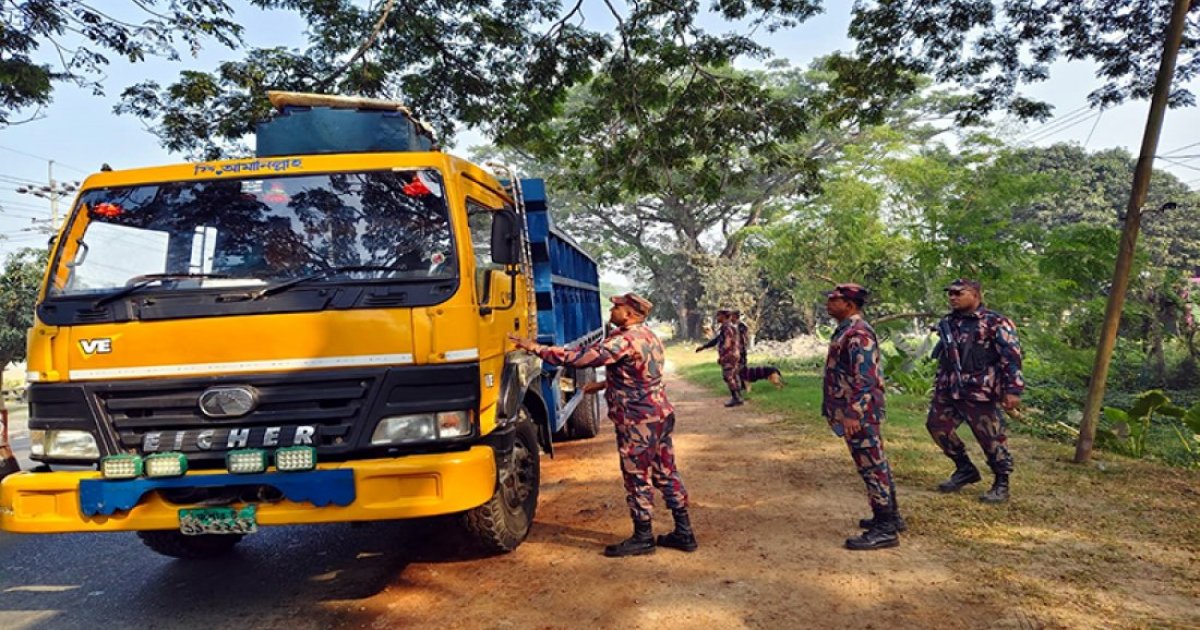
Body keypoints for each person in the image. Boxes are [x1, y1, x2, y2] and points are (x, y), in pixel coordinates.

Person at [510, 292, 696, 557]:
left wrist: (534, 348)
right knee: (666, 471)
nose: (611, 310)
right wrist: (600, 385)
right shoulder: (649, 336)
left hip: (637, 421)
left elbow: (577, 358)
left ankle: (643, 537)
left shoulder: (623, 341)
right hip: (659, 414)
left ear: (630, 314)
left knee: (637, 476)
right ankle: (684, 532)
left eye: (616, 307)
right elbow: (638, 375)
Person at [927, 278, 1024, 503]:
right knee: (937, 426)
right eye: (950, 293)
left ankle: (1001, 482)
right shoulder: (949, 322)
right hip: (949, 387)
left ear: (976, 295)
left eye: (958, 293)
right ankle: (965, 469)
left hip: (980, 389)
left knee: (990, 437)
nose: (952, 297)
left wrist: (1013, 390)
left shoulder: (996, 322)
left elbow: (1011, 357)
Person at [821, 283, 902, 550]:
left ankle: (885, 528)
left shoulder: (858, 334)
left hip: (860, 413)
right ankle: (891, 516)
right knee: (875, 463)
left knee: (872, 466)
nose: (829, 304)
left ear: (850, 304)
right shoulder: (846, 330)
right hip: (854, 410)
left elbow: (865, 378)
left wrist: (853, 413)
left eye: (834, 300)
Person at [695, 309, 744, 406]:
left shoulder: (727, 328)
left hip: (729, 354)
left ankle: (736, 398)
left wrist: (724, 355)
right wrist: (704, 347)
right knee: (734, 375)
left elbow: (727, 342)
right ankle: (738, 396)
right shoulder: (730, 327)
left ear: (724, 316)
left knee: (728, 376)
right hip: (735, 354)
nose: (717, 318)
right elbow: (716, 340)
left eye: (719, 316)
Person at [732, 310, 750, 391]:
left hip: (741, 350)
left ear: (736, 317)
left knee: (742, 368)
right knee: (736, 369)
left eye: (732, 316)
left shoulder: (741, 326)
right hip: (736, 350)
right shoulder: (735, 326)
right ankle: (740, 385)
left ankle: (745, 386)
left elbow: (745, 338)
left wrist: (740, 348)